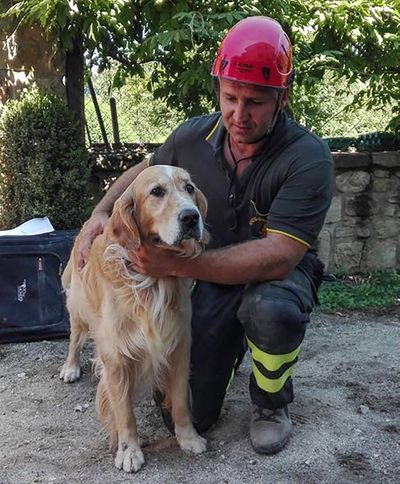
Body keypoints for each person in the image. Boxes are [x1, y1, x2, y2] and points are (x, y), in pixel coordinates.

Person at [77, 16, 334, 455]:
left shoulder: (307, 157)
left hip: (279, 277)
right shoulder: (192, 136)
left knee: (270, 311)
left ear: (281, 99)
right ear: (218, 88)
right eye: (230, 97)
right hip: (213, 273)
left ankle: (271, 403)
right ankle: (226, 353)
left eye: (254, 102)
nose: (238, 114)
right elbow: (143, 172)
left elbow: (278, 255)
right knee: (188, 414)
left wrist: (177, 264)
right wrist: (98, 213)